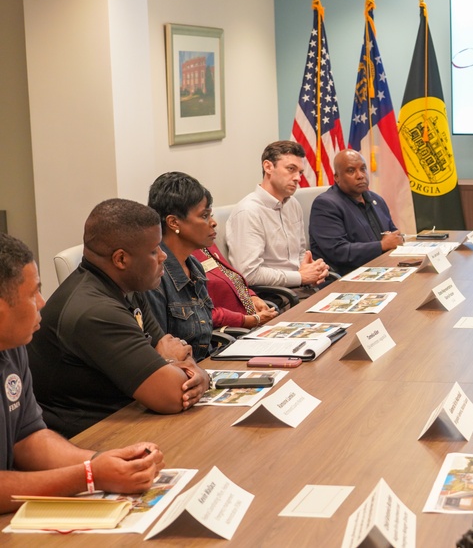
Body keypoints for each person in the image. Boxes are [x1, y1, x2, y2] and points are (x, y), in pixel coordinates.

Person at [0, 234, 165, 514]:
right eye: (32, 293)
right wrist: (89, 476)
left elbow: (28, 438)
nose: (42, 302)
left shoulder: (12, 346)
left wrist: (101, 461)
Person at [27, 199, 210, 438]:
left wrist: (199, 375)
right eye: (154, 250)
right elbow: (173, 395)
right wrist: (169, 361)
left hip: (130, 416)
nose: (164, 256)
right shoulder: (95, 311)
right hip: (92, 436)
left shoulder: (130, 287)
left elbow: (176, 351)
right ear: (121, 259)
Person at [147, 172, 276, 360]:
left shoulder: (194, 267)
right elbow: (160, 354)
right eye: (205, 216)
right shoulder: (155, 277)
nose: (213, 223)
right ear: (174, 222)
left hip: (208, 362)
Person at [227, 140, 330, 298]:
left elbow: (300, 252)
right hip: (275, 297)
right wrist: (301, 277)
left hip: (301, 290)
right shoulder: (248, 211)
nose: (297, 178)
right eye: (291, 169)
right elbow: (248, 273)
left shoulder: (292, 203)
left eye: (300, 172)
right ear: (268, 167)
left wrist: (313, 269)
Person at [309, 149, 403, 275]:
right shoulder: (326, 204)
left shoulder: (376, 199)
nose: (360, 175)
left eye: (363, 169)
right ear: (337, 177)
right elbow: (338, 251)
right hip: (346, 277)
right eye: (351, 171)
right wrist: (381, 245)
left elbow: (392, 234)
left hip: (381, 269)